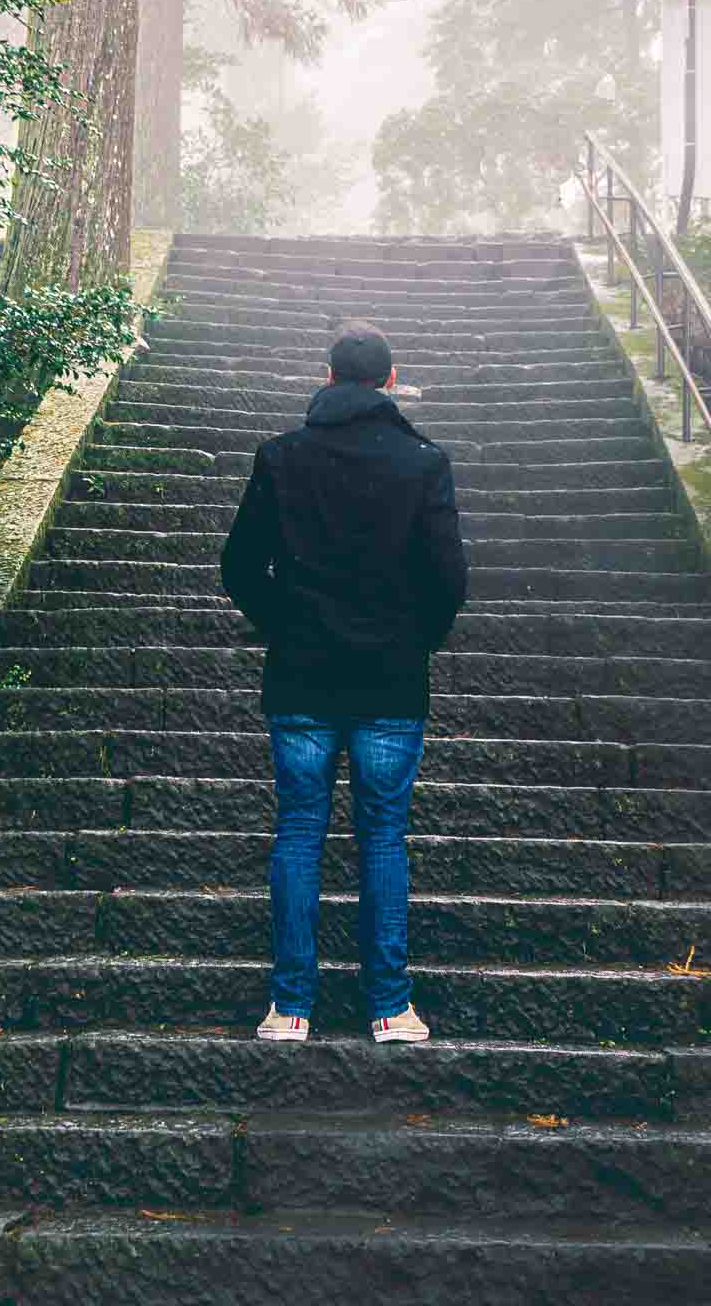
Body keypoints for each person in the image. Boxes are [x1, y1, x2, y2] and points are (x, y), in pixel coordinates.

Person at [220, 319, 468, 1044]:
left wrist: (286, 626)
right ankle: (390, 1007)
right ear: (390, 383)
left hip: (300, 679)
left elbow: (239, 568)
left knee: (299, 833)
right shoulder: (423, 462)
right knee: (383, 837)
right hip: (390, 682)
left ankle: (289, 1006)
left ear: (327, 379)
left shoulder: (281, 457)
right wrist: (411, 641)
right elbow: (448, 578)